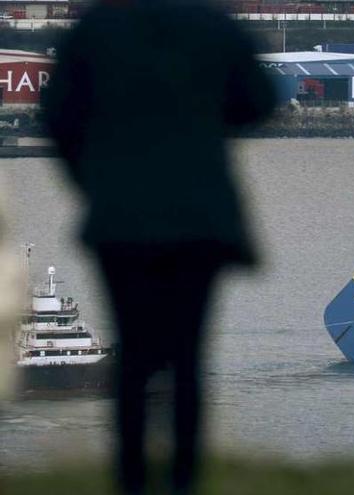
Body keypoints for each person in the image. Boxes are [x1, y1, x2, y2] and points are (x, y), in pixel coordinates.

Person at [43, 1, 275, 493]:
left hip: (120, 218)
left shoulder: (95, 26)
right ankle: (183, 480)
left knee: (132, 358)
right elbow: (260, 101)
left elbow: (57, 117)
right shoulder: (214, 23)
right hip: (200, 218)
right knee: (189, 357)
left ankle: (130, 480)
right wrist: (201, 123)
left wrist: (92, 181)